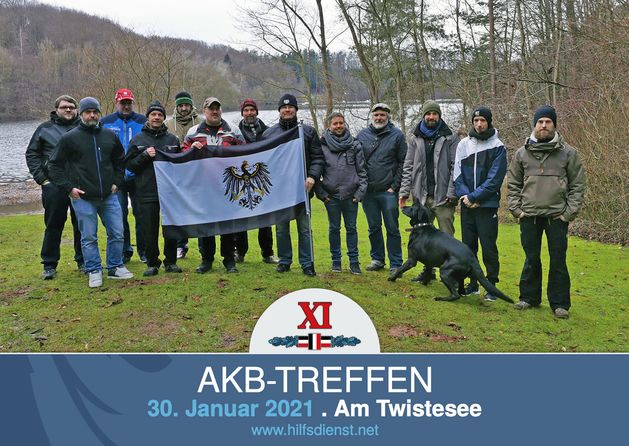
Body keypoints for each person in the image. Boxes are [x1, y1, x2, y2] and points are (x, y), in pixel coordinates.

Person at [508, 105, 586, 319]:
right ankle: (528, 298)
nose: (544, 125)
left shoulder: (569, 153)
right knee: (531, 258)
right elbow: (513, 184)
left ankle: (560, 303)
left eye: (548, 122)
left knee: (558, 260)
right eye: (540, 121)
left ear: (554, 125)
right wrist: (517, 210)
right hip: (529, 216)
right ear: (534, 125)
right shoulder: (522, 153)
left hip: (556, 217)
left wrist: (567, 214)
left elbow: (578, 186)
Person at [48, 97, 133, 287]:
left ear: (99, 113)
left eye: (95, 111)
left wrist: (117, 182)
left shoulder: (110, 135)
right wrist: (68, 188)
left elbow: (120, 161)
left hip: (109, 195)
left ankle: (115, 266)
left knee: (117, 233)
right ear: (82, 113)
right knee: (88, 236)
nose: (92, 115)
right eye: (88, 112)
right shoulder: (70, 138)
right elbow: (54, 165)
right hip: (83, 197)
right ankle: (94, 269)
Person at [262, 93, 324, 276]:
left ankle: (307, 263)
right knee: (281, 228)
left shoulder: (308, 131)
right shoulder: (269, 134)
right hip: (280, 191)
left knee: (304, 228)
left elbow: (318, 158)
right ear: (279, 110)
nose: (287, 110)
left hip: (302, 188)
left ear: (296, 109)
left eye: (290, 107)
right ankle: (284, 260)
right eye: (284, 107)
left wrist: (312, 176)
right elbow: (264, 162)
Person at [399, 100, 459, 282]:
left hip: (443, 197)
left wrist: (451, 193)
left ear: (439, 115)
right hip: (421, 197)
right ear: (423, 115)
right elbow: (408, 166)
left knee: (447, 237)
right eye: (428, 114)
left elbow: (455, 167)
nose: (431, 117)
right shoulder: (414, 138)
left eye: (434, 114)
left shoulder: (450, 137)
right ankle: (428, 272)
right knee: (424, 239)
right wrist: (404, 192)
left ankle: (452, 273)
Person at [182, 96, 245, 273]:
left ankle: (229, 260)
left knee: (227, 225)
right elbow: (183, 156)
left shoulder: (233, 130)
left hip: (227, 186)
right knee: (205, 225)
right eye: (211, 108)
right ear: (205, 111)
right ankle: (206, 260)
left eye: (217, 108)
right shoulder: (193, 132)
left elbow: (245, 152)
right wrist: (190, 149)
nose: (215, 111)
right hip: (203, 187)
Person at [25, 95, 84, 279]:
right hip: (54, 185)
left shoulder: (83, 128)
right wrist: (42, 179)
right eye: (64, 107)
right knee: (53, 224)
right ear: (56, 109)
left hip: (78, 184)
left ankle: (83, 260)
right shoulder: (44, 129)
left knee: (81, 224)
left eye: (72, 107)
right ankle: (49, 264)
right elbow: (32, 154)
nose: (68, 110)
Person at [453, 106, 507, 301]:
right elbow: (457, 175)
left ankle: (491, 285)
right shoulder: (463, 145)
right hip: (467, 205)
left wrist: (476, 197)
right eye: (476, 121)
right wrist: (466, 197)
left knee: (488, 247)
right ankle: (473, 283)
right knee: (468, 247)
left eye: (483, 120)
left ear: (489, 122)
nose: (479, 124)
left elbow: (495, 179)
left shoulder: (498, 146)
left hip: (487, 206)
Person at [125, 100, 182, 276]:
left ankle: (171, 261)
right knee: (148, 229)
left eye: (160, 115)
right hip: (146, 191)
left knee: (170, 228)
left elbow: (180, 164)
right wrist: (144, 155)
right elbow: (130, 165)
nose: (156, 117)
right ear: (148, 117)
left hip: (169, 192)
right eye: (153, 114)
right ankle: (152, 262)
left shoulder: (172, 139)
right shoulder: (138, 139)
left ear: (164, 118)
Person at [315, 112, 368, 274]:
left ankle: (354, 262)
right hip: (332, 197)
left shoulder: (354, 145)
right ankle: (336, 261)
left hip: (351, 196)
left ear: (344, 124)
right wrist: (323, 195)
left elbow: (362, 171)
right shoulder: (322, 146)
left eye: (341, 123)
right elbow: (316, 172)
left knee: (351, 228)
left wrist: (359, 194)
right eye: (335, 124)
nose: (338, 126)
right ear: (329, 126)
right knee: (334, 229)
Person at [357, 103, 407, 273]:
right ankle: (377, 259)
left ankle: (396, 263)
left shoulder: (397, 136)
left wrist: (395, 186)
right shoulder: (362, 135)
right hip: (368, 192)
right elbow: (357, 161)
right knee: (373, 227)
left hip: (388, 191)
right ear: (372, 116)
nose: (379, 118)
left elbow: (403, 162)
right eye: (376, 115)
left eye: (382, 115)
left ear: (388, 117)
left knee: (392, 227)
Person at [101, 88, 147, 263]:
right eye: (123, 103)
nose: (126, 106)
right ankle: (125, 250)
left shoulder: (142, 121)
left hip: (139, 175)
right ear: (116, 103)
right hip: (116, 177)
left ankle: (143, 250)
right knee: (118, 214)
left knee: (141, 214)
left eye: (129, 103)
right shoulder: (106, 122)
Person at [234, 98, 278, 265]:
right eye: (246, 110)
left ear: (257, 112)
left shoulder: (268, 132)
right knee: (241, 218)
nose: (249, 113)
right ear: (242, 113)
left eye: (252, 110)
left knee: (265, 219)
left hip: (261, 180)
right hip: (242, 181)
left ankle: (267, 253)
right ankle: (240, 252)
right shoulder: (236, 132)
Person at [164, 90, 201, 260]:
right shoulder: (168, 124)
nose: (184, 108)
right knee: (178, 210)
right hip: (176, 174)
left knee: (201, 209)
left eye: (187, 105)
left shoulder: (200, 122)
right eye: (181, 105)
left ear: (191, 105)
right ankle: (180, 245)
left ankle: (204, 247)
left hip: (198, 172)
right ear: (177, 107)